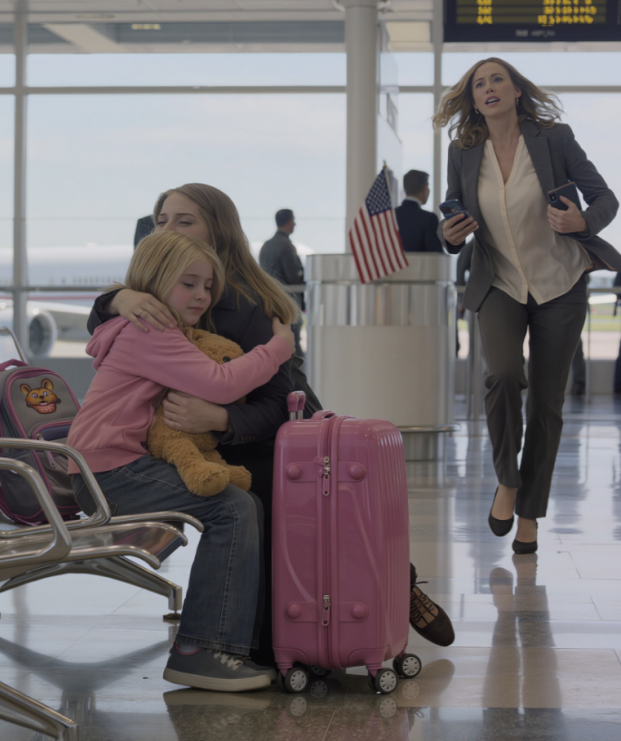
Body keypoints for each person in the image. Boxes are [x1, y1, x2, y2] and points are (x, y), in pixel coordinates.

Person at [87, 183, 456, 654]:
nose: (168, 229)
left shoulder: (244, 304)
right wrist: (115, 300)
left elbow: (283, 405)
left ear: (217, 231)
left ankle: (375, 591)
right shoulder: (152, 299)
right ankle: (248, 635)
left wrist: (219, 417)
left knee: (283, 502)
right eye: (161, 220)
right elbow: (107, 333)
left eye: (184, 220)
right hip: (211, 445)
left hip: (274, 438)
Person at [68, 231, 295, 692]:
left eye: (207, 286)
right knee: (233, 507)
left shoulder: (150, 329)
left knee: (238, 503)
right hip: (107, 472)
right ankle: (201, 650)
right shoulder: (150, 330)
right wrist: (278, 349)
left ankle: (212, 646)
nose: (201, 295)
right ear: (154, 282)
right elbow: (221, 383)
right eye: (188, 283)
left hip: (106, 465)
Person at [434, 57, 620, 554]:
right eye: (480, 83)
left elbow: (606, 197)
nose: (489, 88)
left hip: (560, 282)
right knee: (500, 375)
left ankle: (530, 512)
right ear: (473, 99)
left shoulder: (554, 138)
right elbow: (455, 214)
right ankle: (508, 480)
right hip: (499, 283)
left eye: (498, 80)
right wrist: (450, 235)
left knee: (546, 402)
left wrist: (583, 222)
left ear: (516, 91)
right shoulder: (463, 150)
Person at [259, 208, 304, 355]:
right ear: (289, 221)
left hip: (269, 302)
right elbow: (292, 278)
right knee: (293, 345)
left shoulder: (266, 246)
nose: (295, 224)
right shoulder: (286, 246)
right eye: (294, 221)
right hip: (287, 302)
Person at [395, 170, 444, 253]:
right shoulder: (429, 219)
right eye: (428, 187)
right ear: (424, 189)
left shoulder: (389, 215)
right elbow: (436, 256)